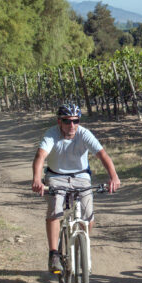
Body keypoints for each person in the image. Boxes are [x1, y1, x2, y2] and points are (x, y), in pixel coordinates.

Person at [31, 103, 121, 273]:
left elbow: (102, 155)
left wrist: (114, 176)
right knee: (55, 210)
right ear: (59, 122)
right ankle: (54, 254)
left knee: (89, 216)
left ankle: (81, 245)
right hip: (56, 176)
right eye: (67, 121)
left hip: (81, 177)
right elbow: (40, 156)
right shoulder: (51, 134)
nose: (71, 125)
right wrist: (37, 179)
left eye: (75, 121)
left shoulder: (84, 134)